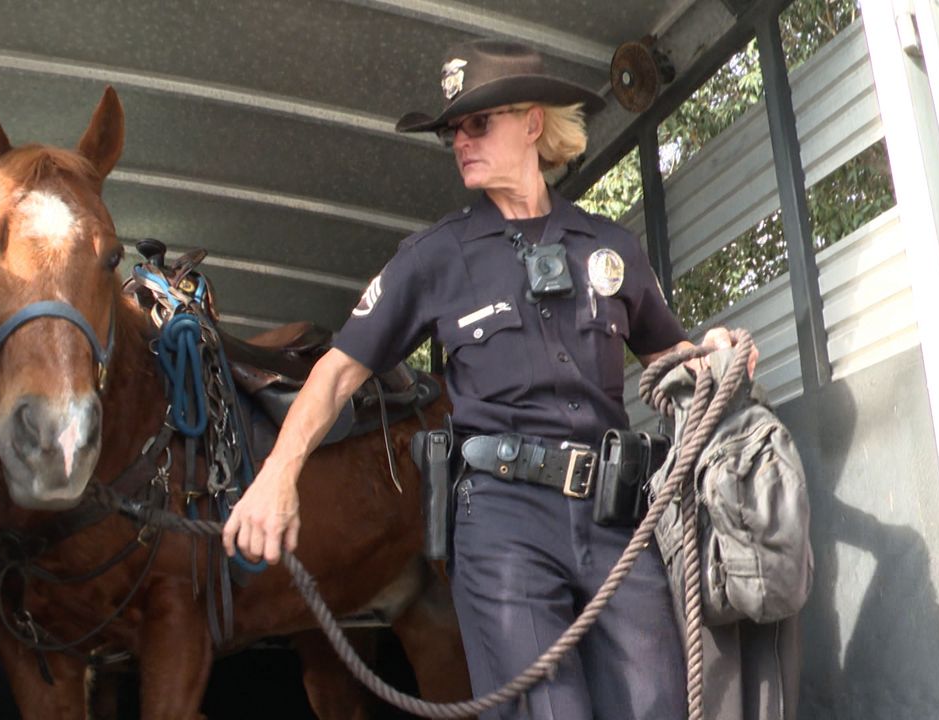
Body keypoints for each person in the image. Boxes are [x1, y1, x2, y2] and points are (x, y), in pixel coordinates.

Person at [222, 39, 754, 720]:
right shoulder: (433, 258)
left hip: (616, 516)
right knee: (548, 713)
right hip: (503, 522)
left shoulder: (608, 249)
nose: (459, 141)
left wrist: (711, 353)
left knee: (658, 704)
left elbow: (667, 356)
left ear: (533, 123)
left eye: (479, 123)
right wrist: (276, 477)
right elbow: (333, 374)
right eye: (452, 130)